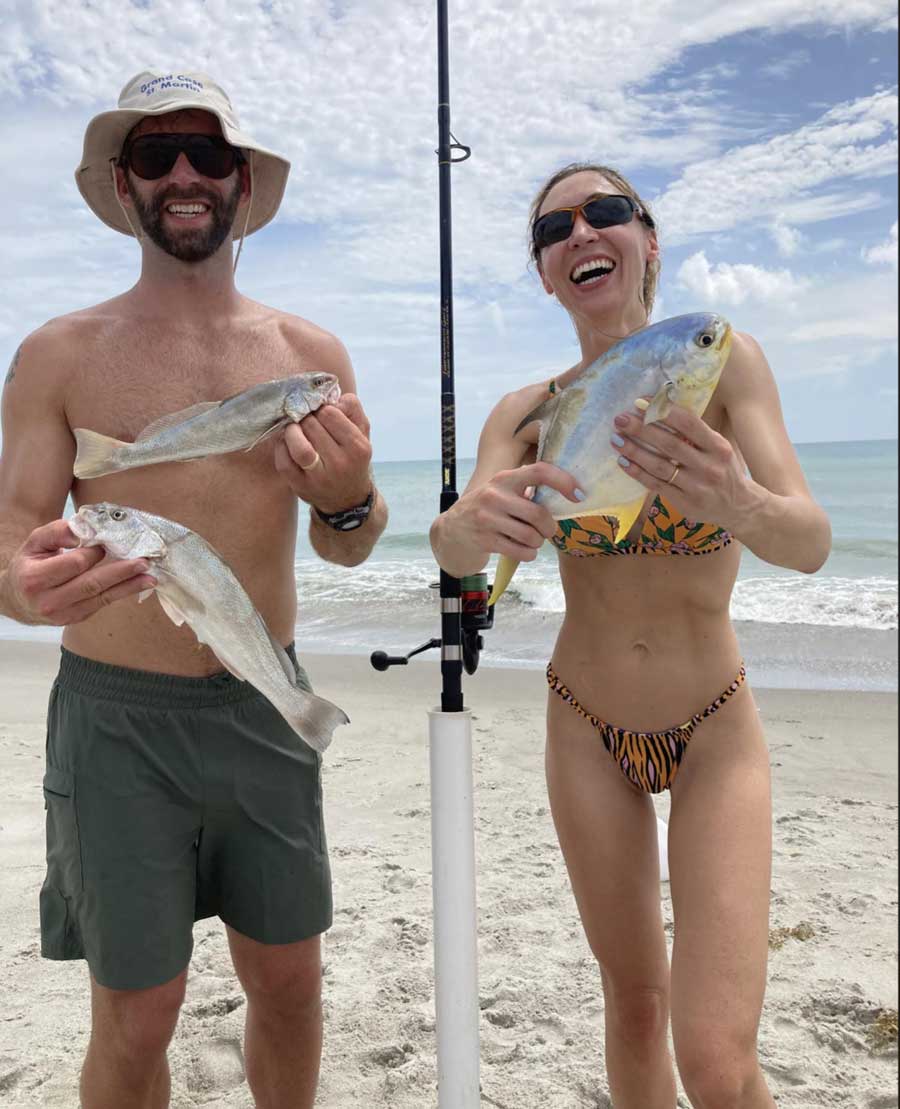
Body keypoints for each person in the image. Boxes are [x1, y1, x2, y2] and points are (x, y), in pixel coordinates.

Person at [0, 70, 387, 1108]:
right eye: (155, 155)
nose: (183, 175)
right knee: (137, 1010)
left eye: (207, 154)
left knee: (291, 982)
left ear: (242, 183)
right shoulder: (56, 354)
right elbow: (11, 533)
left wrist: (348, 500)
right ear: (123, 187)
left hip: (266, 701)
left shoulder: (311, 356)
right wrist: (27, 588)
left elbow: (350, 545)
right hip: (116, 720)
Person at [430, 163, 831, 1108]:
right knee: (636, 1002)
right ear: (543, 274)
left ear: (649, 240)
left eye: (605, 212)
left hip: (715, 728)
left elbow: (808, 542)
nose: (580, 233)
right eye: (553, 228)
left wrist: (739, 500)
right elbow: (451, 551)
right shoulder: (528, 415)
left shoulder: (725, 363)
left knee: (718, 1059)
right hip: (584, 725)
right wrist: (476, 525)